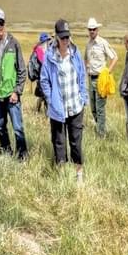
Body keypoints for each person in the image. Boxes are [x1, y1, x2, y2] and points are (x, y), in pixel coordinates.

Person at [39, 19, 87, 183]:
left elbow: (82, 76)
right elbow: (44, 80)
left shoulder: (75, 52)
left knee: (76, 142)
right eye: (63, 37)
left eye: (67, 37)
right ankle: (62, 176)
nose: (66, 40)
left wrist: (83, 97)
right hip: (58, 108)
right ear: (57, 37)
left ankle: (78, 174)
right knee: (59, 142)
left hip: (75, 106)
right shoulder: (49, 56)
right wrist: (50, 99)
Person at [0, 8, 27, 159]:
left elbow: (22, 70)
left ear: (5, 23)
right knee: (0, 127)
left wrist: (17, 91)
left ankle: (22, 155)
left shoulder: (13, 44)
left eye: (1, 23)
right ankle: (6, 150)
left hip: (11, 94)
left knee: (17, 128)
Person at [84, 17, 118, 137]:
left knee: (100, 108)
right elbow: (85, 59)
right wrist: (87, 68)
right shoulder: (88, 44)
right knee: (93, 108)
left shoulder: (103, 43)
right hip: (90, 78)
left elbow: (114, 57)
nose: (92, 31)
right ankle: (100, 127)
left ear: (97, 30)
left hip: (101, 79)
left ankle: (101, 134)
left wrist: (108, 72)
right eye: (90, 29)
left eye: (93, 29)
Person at [28, 32, 51, 114]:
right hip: (42, 77)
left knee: (42, 96)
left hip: (40, 78)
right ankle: (46, 114)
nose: (49, 42)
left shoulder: (38, 49)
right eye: (48, 40)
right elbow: (43, 64)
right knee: (45, 96)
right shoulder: (40, 51)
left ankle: (37, 111)